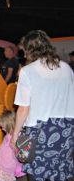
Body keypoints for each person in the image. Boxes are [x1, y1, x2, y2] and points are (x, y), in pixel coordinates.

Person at [10, 30, 74, 181]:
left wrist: (14, 137)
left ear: (31, 50)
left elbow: (24, 109)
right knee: (59, 171)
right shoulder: (66, 68)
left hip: (39, 131)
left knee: (35, 171)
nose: (24, 55)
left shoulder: (27, 71)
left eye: (25, 51)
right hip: (67, 129)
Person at [0, 110, 25, 181]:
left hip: (8, 167)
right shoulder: (8, 134)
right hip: (3, 165)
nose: (2, 129)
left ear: (10, 125)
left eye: (3, 127)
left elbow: (19, 153)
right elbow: (6, 147)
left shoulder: (16, 137)